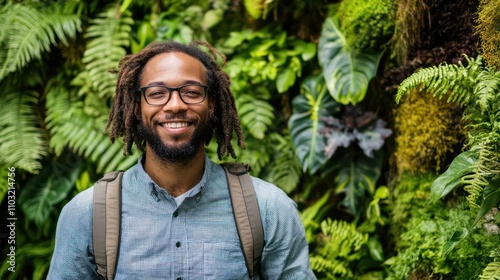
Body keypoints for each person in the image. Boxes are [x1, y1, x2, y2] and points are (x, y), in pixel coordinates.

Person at [47, 40, 315, 279]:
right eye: (156, 93)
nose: (175, 105)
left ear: (211, 104)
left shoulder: (267, 208)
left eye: (191, 91)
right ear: (137, 108)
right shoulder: (88, 213)